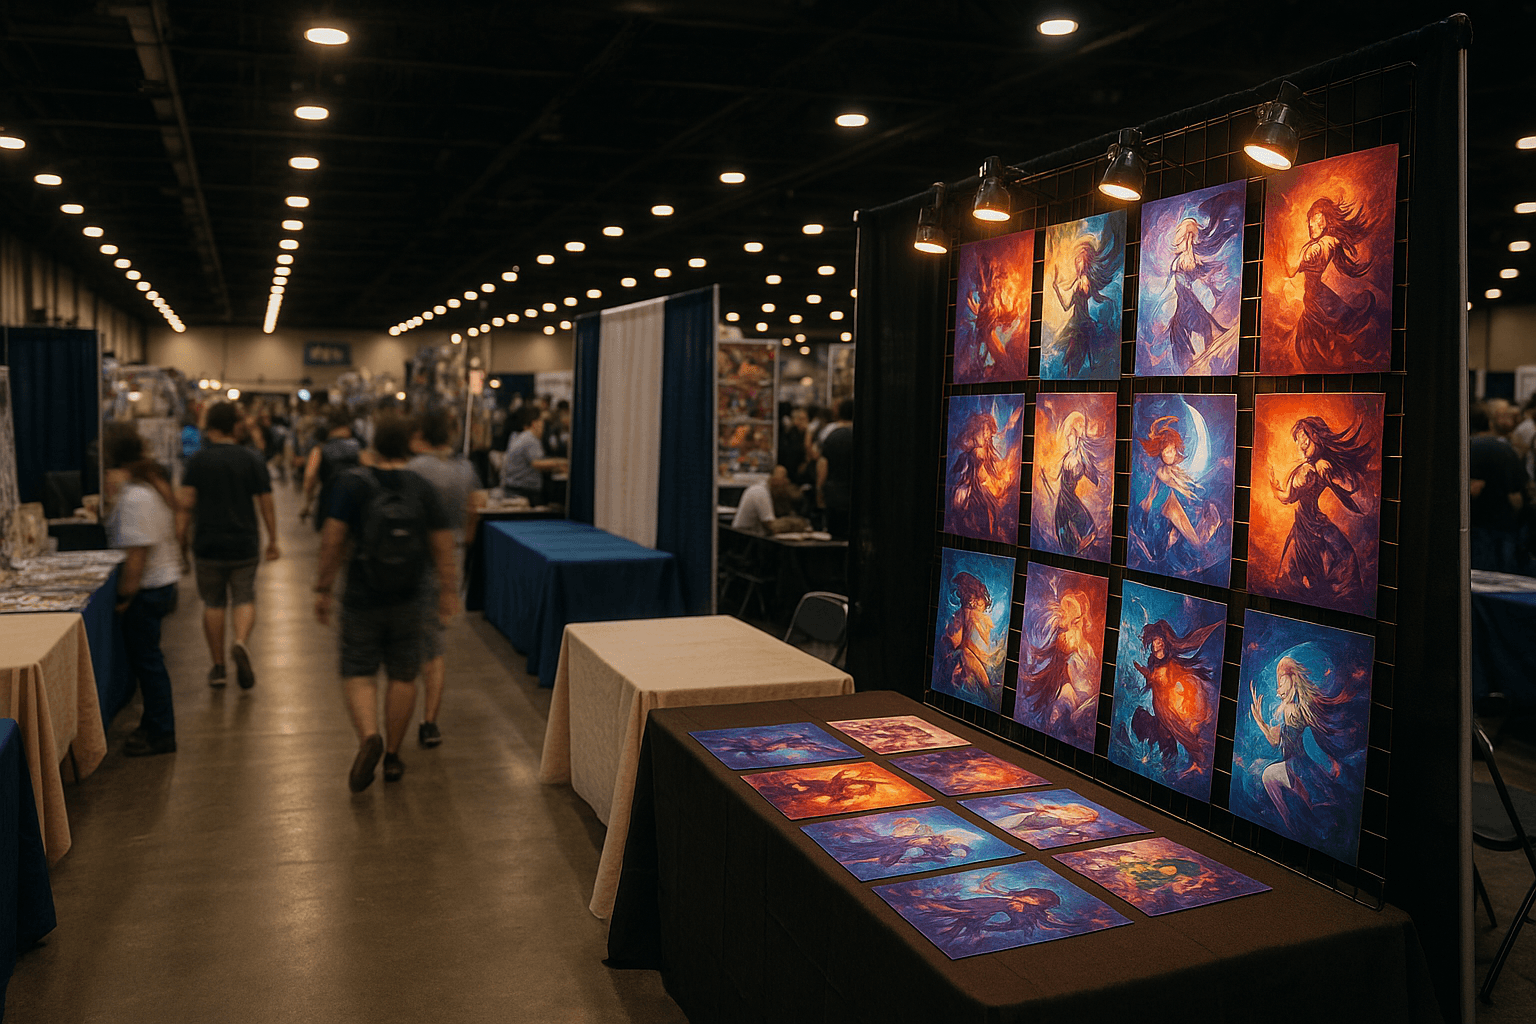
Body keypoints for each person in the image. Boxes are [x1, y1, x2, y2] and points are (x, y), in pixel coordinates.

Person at [315, 412, 459, 791]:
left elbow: (332, 539)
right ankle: (393, 755)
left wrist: (323, 587)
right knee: (403, 674)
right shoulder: (421, 487)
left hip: (362, 594)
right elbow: (443, 545)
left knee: (359, 670)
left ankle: (369, 736)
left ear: (375, 443)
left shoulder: (352, 484)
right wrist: (447, 591)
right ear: (409, 444)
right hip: (410, 596)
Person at [179, 400, 279, 689]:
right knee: (244, 597)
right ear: (234, 427)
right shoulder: (251, 459)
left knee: (213, 603)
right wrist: (273, 539)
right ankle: (240, 641)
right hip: (244, 542)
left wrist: (181, 541)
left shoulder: (197, 461)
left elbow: (186, 505)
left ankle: (219, 667)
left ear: (210, 427)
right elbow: (266, 502)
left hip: (207, 543)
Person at [406, 410, 485, 747]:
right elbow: (475, 508)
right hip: (452, 556)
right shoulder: (465, 469)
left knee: (406, 645)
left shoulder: (413, 470)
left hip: (414, 559)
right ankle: (429, 720)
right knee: (434, 647)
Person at [105, 425, 183, 756]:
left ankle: (161, 731)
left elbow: (138, 554)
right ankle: (155, 723)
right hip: (158, 585)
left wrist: (125, 596)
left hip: (148, 589)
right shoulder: (147, 487)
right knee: (148, 660)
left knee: (148, 662)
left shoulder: (137, 496)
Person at [1471, 402, 1529, 573]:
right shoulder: (1507, 449)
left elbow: (1474, 489)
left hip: (1477, 523)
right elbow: (1516, 496)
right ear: (1490, 423)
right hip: (1504, 524)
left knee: (1479, 576)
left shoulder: (1469, 447)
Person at [302, 407, 361, 530]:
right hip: (357, 504)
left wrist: (308, 502)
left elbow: (309, 478)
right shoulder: (360, 448)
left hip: (330, 503)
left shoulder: (319, 450)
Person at [502, 406, 567, 503]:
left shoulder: (522, 436)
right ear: (534, 423)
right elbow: (537, 463)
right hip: (522, 491)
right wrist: (563, 462)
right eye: (541, 422)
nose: (543, 427)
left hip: (514, 488)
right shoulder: (530, 438)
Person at [731, 465, 808, 536]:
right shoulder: (760, 492)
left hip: (752, 536)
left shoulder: (770, 491)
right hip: (743, 538)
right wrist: (796, 523)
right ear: (773, 480)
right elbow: (772, 527)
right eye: (782, 480)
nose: (786, 482)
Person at [816, 398, 854, 539]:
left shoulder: (830, 433)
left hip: (833, 493)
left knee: (834, 537)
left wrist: (819, 489)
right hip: (854, 494)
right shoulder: (863, 434)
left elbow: (823, 465)